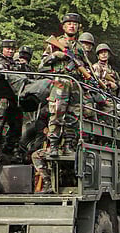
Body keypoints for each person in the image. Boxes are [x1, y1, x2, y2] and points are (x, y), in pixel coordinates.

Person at [39, 13, 89, 156]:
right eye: (69, 24)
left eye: (74, 24)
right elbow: (41, 66)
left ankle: (68, 146)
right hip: (60, 83)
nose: (72, 26)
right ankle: (53, 146)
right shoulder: (55, 43)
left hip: (75, 85)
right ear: (63, 26)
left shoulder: (80, 47)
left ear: (78, 27)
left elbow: (86, 67)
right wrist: (55, 56)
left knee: (73, 117)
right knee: (57, 115)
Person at [0, 39, 23, 162]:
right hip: (1, 98)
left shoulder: (16, 64)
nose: (10, 51)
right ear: (3, 49)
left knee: (16, 125)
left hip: (14, 99)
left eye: (12, 49)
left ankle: (10, 149)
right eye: (8, 49)